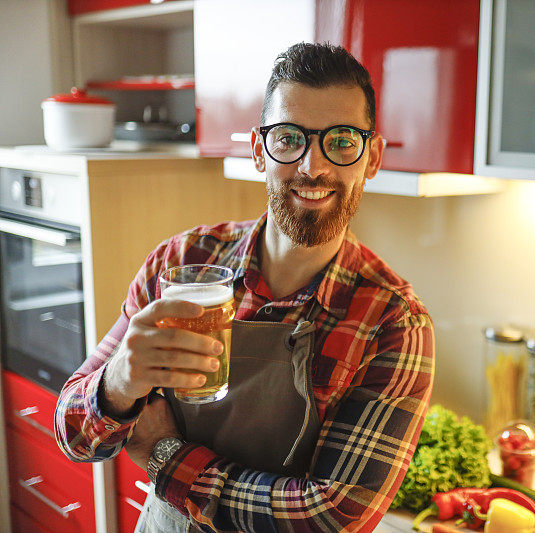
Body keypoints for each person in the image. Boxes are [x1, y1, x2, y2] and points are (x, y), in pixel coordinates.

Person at [55, 42, 435, 533]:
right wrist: (119, 382)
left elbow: (329, 519)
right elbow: (72, 434)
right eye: (289, 138)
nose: (312, 167)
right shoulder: (181, 264)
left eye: (341, 141)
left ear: (373, 157)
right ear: (259, 150)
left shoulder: (393, 323)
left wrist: (166, 456)